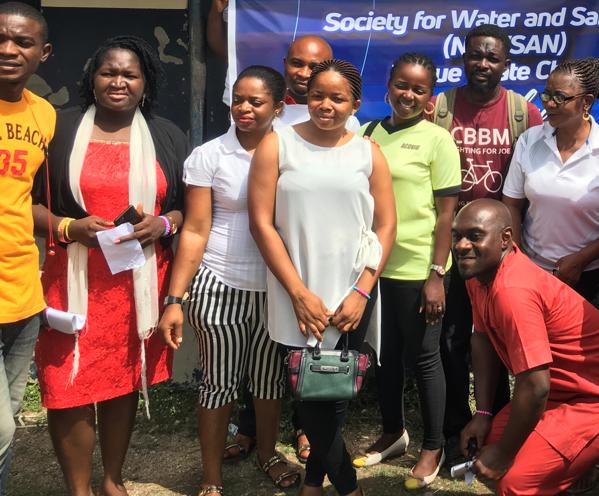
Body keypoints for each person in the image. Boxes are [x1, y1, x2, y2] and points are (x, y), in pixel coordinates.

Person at [33, 36, 187, 496]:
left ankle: (112, 480)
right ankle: (78, 488)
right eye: (109, 72)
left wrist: (161, 224)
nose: (118, 81)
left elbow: (185, 210)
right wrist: (68, 227)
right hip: (71, 278)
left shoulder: (166, 136)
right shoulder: (59, 131)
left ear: (145, 83)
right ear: (92, 78)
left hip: (136, 284)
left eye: (130, 74)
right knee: (67, 383)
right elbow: (23, 204)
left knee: (122, 376)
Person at [248, 58, 397, 496]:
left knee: (333, 394)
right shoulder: (277, 145)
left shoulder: (368, 151)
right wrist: (297, 293)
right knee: (311, 394)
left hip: (352, 295)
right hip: (295, 293)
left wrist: (362, 291)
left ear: (355, 103)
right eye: (317, 95)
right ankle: (349, 487)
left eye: (337, 97)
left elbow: (386, 225)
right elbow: (262, 223)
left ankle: (314, 482)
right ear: (302, 98)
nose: (325, 105)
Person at [156, 66, 300, 496]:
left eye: (256, 101)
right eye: (238, 99)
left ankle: (268, 453)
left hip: (276, 288)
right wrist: (175, 298)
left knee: (270, 380)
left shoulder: (295, 151)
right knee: (219, 381)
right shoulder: (210, 156)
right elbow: (196, 230)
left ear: (279, 106)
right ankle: (211, 477)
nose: (244, 108)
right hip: (220, 284)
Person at [455, 199, 599, 496]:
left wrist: (504, 455)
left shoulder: (513, 291)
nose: (461, 246)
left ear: (505, 239)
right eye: (457, 235)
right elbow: (483, 338)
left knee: (516, 482)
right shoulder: (479, 274)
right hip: (559, 391)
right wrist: (483, 412)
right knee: (491, 440)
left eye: (474, 236)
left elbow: (536, 386)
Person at [426, 24, 543, 456]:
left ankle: (502, 418)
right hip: (454, 244)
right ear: (463, 58)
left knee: (504, 337)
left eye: (493, 58)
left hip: (504, 247)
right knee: (453, 338)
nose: (483, 64)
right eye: (476, 55)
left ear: (505, 64)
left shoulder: (522, 112)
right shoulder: (440, 107)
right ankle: (457, 425)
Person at [354, 54, 461, 489]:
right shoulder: (368, 133)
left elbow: (446, 215)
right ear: (389, 84)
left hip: (421, 268)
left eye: (419, 89)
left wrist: (436, 273)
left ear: (430, 96)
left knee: (423, 357)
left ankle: (432, 446)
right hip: (376, 268)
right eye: (402, 85)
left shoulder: (438, 140)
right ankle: (393, 432)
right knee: (387, 357)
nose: (409, 95)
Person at [502, 57, 599, 300]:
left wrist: (581, 261)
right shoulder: (530, 141)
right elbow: (512, 205)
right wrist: (516, 259)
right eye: (546, 95)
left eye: (560, 97)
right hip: (531, 270)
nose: (550, 104)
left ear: (586, 103)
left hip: (587, 277)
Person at [0, 2, 53, 495]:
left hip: (22, 291)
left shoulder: (44, 115)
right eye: (1, 38)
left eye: (22, 42)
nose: (7, 49)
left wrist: (68, 227)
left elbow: (30, 199)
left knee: (9, 418)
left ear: (43, 53)